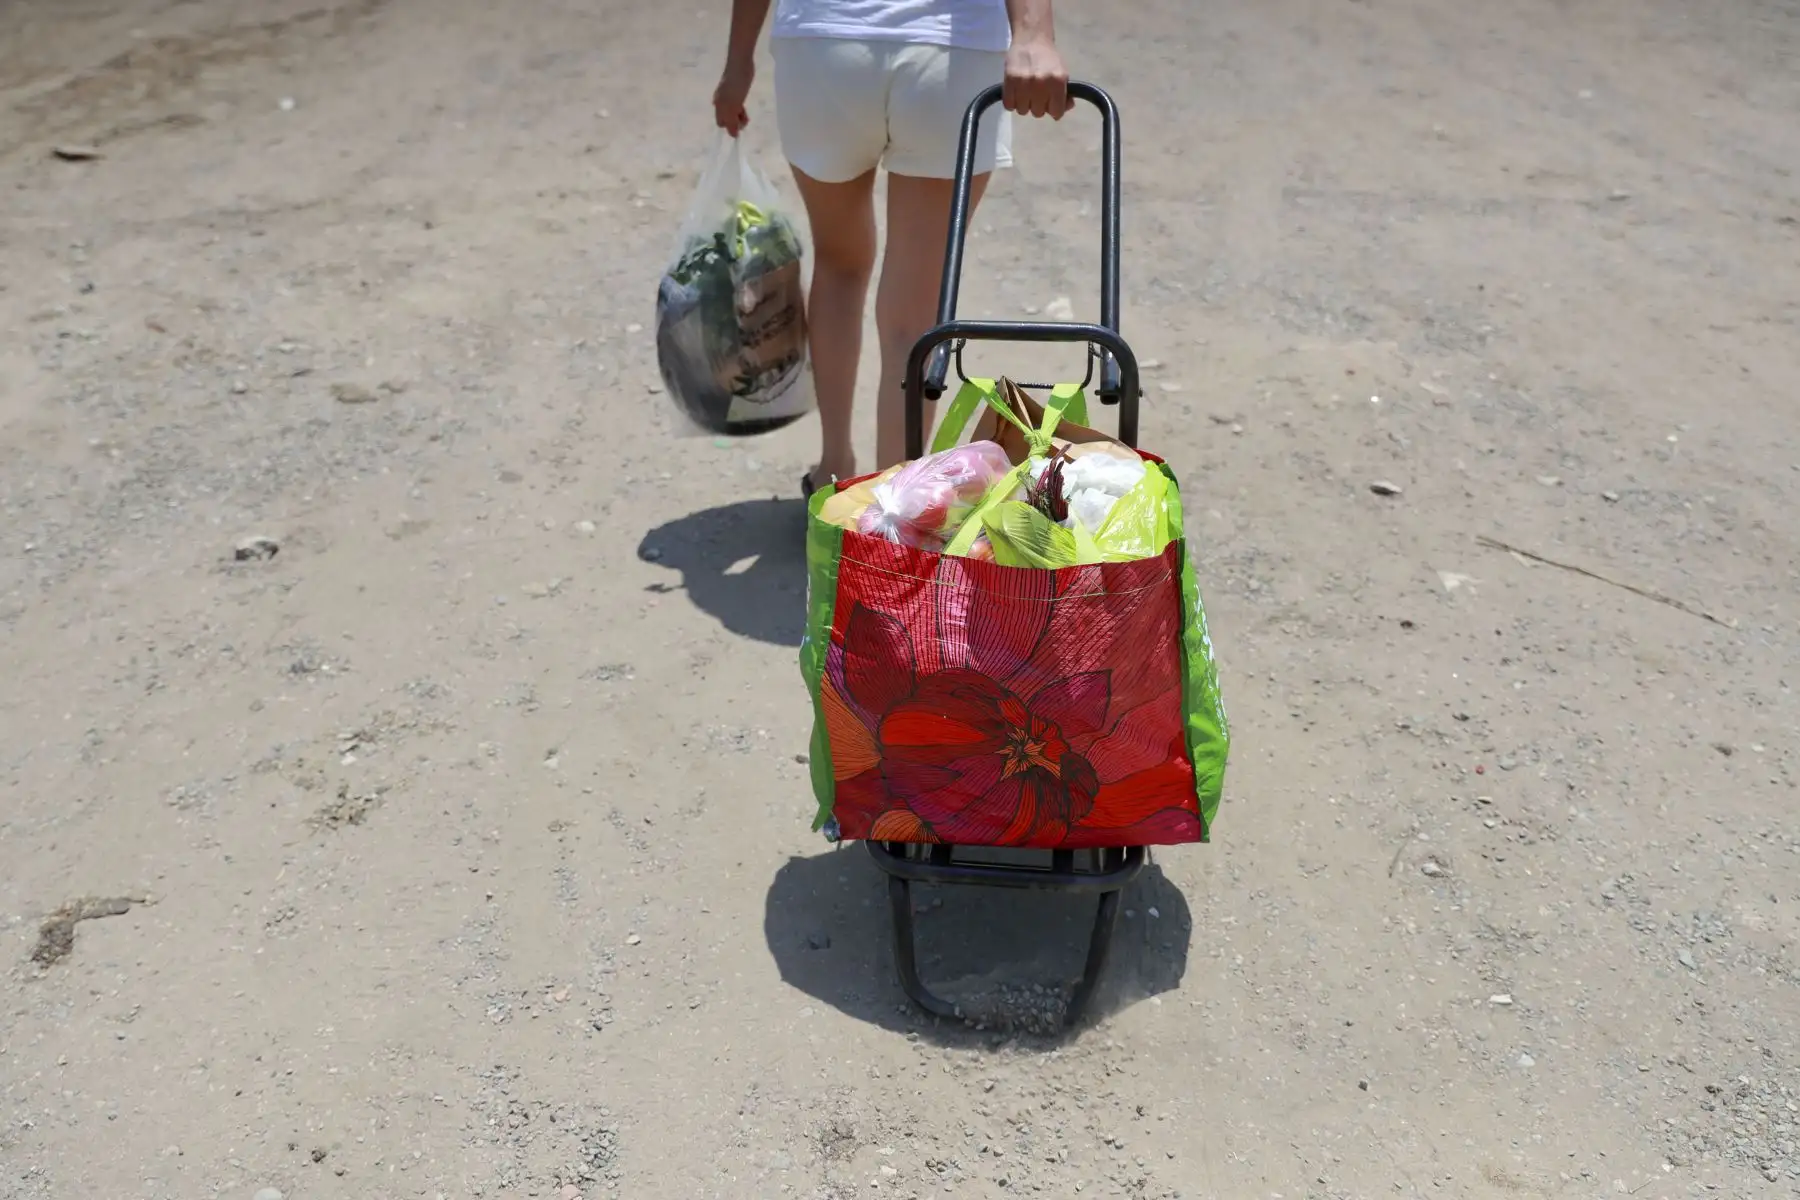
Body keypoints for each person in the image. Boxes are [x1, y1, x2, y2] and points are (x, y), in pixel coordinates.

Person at [711, 0, 1070, 496]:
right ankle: (893, 512)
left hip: (824, 46)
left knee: (839, 264)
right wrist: (1034, 33)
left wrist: (738, 61)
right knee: (913, 313)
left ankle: (834, 472)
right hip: (948, 49)